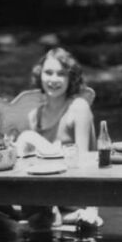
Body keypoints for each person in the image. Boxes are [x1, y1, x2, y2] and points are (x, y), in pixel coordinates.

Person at [16, 47, 103, 230]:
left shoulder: (78, 108)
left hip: (73, 192)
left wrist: (92, 209)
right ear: (40, 75)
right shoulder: (35, 115)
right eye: (48, 73)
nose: (53, 80)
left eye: (61, 74)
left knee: (27, 136)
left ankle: (65, 216)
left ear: (70, 78)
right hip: (44, 195)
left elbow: (86, 163)